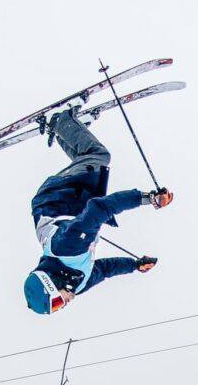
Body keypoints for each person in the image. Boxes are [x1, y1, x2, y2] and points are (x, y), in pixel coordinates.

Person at [22, 111, 172, 316]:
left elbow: (100, 208)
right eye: (57, 308)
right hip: (76, 205)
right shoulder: (78, 284)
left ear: (51, 284)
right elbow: (104, 270)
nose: (64, 305)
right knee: (89, 163)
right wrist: (135, 265)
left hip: (57, 197)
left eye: (56, 302)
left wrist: (149, 198)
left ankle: (62, 121)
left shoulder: (67, 247)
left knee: (99, 156)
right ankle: (67, 130)